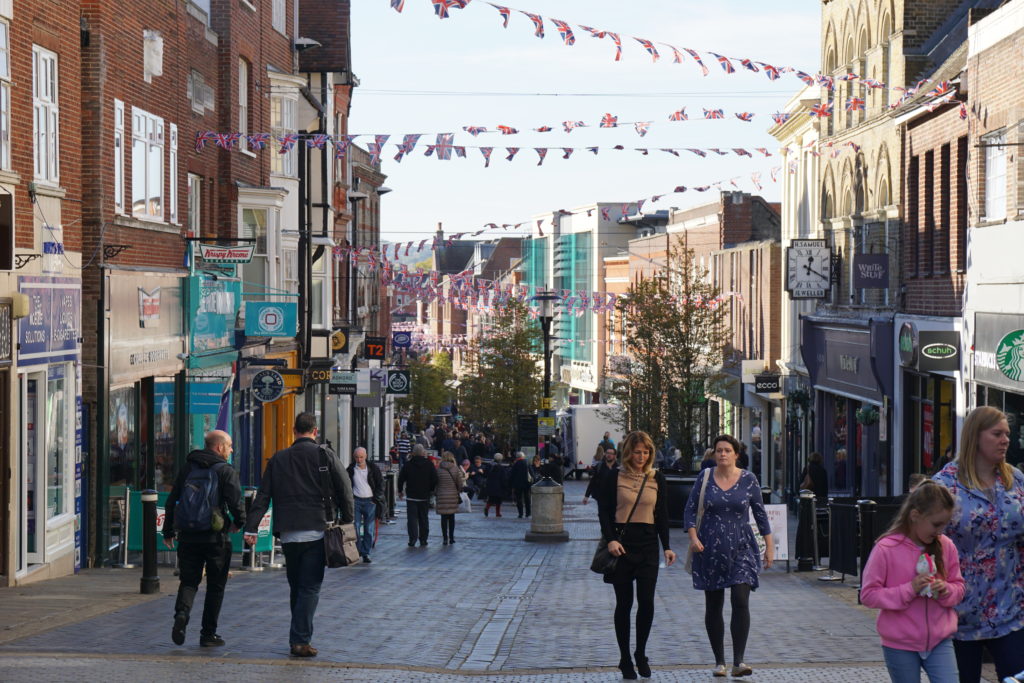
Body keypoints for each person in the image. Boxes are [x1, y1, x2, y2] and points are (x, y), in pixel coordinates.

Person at [244, 413, 353, 658]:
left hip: (289, 533)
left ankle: (299, 635)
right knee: (310, 587)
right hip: (317, 530)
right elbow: (345, 489)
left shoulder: (278, 459)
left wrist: (251, 528)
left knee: (297, 587)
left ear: (294, 431)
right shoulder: (325, 455)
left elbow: (263, 497)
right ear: (314, 431)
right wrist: (348, 520)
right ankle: (300, 640)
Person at [932, 406, 1024, 683]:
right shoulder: (945, 486)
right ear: (975, 436)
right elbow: (923, 542)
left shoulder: (1015, 480)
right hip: (958, 615)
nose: (1005, 440)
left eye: (1007, 434)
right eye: (997, 434)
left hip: (1011, 608)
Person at [684, 434, 773, 678]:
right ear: (714, 454)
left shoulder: (749, 480)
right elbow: (690, 510)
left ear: (736, 454)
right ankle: (719, 662)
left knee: (740, 600)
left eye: (727, 450)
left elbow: (760, 514)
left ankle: (739, 661)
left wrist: (769, 546)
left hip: (742, 547)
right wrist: (693, 538)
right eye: (719, 450)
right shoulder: (704, 478)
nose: (722, 454)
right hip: (709, 548)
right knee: (714, 605)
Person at [861, 481, 964, 683]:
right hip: (899, 643)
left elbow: (959, 587)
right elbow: (868, 594)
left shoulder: (946, 546)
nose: (940, 531)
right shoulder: (886, 548)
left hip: (940, 640)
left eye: (944, 524)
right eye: (936, 524)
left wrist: (946, 590)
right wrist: (909, 589)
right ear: (915, 515)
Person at [596, 430, 676, 679]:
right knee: (624, 604)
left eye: (646, 452)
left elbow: (661, 514)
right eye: (637, 451)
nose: (641, 456)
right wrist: (610, 540)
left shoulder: (657, 478)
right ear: (628, 452)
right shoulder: (613, 477)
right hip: (622, 544)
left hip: (648, 545)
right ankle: (624, 658)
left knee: (647, 602)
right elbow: (604, 512)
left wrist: (667, 546)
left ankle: (640, 653)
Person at [162, 430, 244, 648]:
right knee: (216, 585)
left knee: (189, 581)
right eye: (229, 445)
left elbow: (172, 500)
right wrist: (239, 522)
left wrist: (168, 531)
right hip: (216, 537)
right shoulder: (225, 470)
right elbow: (237, 503)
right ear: (219, 447)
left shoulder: (188, 467)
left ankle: (182, 614)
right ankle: (208, 634)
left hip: (188, 536)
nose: (231, 449)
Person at [346, 447, 384, 564]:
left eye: (361, 457)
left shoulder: (373, 468)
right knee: (356, 528)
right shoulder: (351, 469)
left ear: (366, 456)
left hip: (370, 502)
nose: (359, 459)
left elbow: (380, 484)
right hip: (356, 501)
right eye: (357, 457)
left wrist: (375, 499)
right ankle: (358, 551)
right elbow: (345, 484)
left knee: (368, 529)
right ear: (354, 457)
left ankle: (366, 552)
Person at [398, 443, 438, 547]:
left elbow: (401, 478)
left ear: (413, 453)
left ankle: (412, 539)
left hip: (411, 495)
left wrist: (400, 490)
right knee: (424, 518)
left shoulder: (408, 464)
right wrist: (431, 489)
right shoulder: (429, 464)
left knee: (412, 519)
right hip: (424, 496)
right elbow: (435, 478)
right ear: (423, 452)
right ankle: (423, 539)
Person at [436, 451, 466, 545]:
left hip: (442, 495)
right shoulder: (455, 468)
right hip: (453, 495)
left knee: (443, 518)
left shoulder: (439, 469)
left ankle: (445, 538)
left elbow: (436, 482)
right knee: (451, 517)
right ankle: (452, 538)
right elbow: (460, 483)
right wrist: (459, 490)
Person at [508, 451, 533, 518]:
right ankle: (528, 513)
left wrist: (511, 484)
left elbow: (512, 475)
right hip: (527, 483)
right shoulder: (527, 463)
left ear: (517, 457)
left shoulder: (516, 464)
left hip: (518, 484)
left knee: (519, 499)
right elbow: (531, 473)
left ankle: (520, 513)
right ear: (523, 456)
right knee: (527, 498)